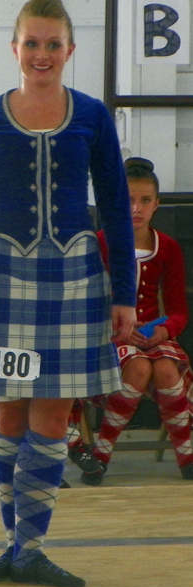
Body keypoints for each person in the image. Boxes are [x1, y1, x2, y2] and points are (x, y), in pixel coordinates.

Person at [0, 0, 136, 587]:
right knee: (7, 407)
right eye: (32, 43)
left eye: (53, 44)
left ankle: (30, 548)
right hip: (1, 278)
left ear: (69, 50)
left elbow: (114, 206)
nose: (42, 54)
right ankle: (15, 546)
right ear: (15, 48)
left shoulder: (93, 115)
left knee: (53, 412)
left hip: (77, 278)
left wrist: (124, 293)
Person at [80, 157, 193, 485]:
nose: (136, 208)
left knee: (166, 368)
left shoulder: (168, 248)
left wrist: (163, 330)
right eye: (128, 200)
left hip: (151, 336)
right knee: (140, 367)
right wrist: (119, 331)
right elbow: (86, 303)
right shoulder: (99, 243)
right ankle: (100, 455)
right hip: (107, 336)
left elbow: (178, 311)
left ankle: (186, 456)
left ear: (157, 204)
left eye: (145, 201)